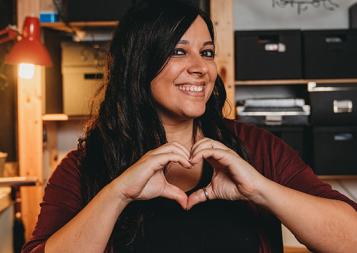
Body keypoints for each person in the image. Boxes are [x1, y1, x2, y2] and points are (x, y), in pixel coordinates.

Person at [22, 1, 357, 253]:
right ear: (139, 65)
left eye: (207, 52)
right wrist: (118, 193)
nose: (201, 68)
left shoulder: (257, 147)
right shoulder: (84, 166)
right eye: (179, 51)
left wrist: (260, 189)